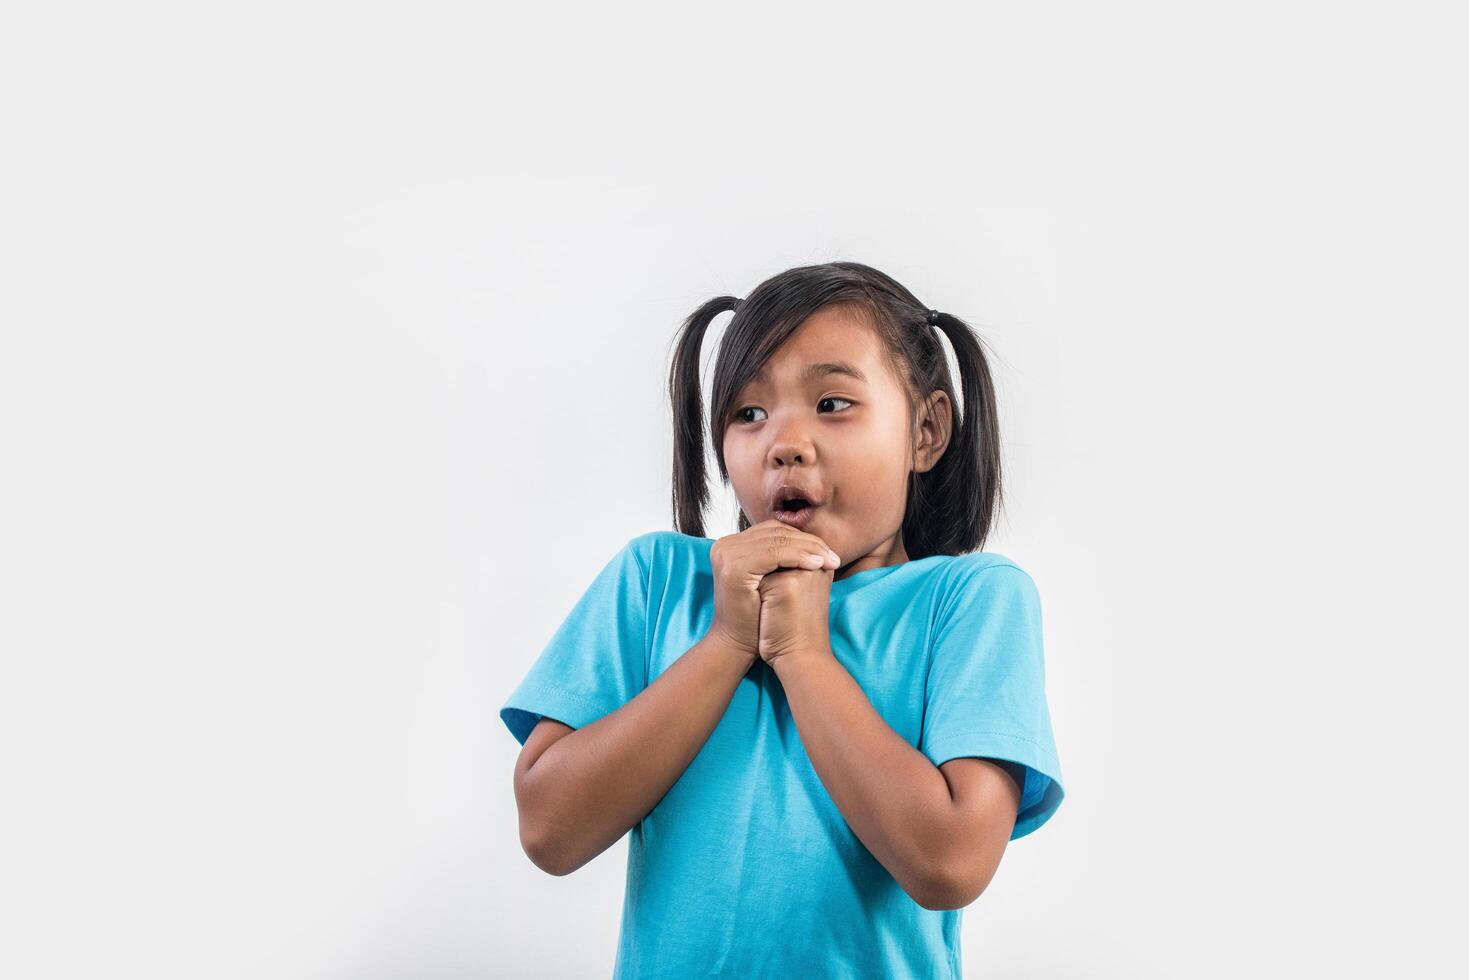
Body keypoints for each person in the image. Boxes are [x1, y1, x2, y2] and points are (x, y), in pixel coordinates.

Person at [500, 260, 1066, 978]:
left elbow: (950, 861)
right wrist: (728, 641)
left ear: (925, 430)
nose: (784, 442)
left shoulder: (970, 599)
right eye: (747, 413)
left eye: (832, 404)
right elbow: (549, 829)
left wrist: (802, 653)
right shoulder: (655, 581)